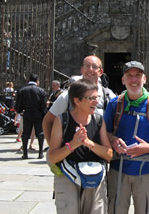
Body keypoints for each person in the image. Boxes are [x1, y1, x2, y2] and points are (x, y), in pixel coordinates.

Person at [104, 61, 149, 214]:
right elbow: (104, 133)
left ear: (144, 79)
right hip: (118, 169)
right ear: (123, 80)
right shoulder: (114, 104)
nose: (134, 80)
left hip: (145, 170)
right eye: (129, 76)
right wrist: (113, 139)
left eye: (138, 76)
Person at [48, 79, 113, 214]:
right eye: (91, 98)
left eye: (97, 97)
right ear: (77, 101)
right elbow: (53, 157)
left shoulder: (99, 120)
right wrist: (72, 145)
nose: (96, 102)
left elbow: (109, 154)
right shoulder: (62, 120)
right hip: (67, 177)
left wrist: (89, 143)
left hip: (95, 179)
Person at [42, 55, 115, 145]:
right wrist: (53, 149)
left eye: (95, 67)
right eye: (87, 66)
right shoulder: (68, 95)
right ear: (81, 70)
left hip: (98, 154)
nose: (90, 69)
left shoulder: (108, 96)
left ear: (101, 72)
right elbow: (47, 121)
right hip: (71, 154)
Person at [15, 73, 47, 159]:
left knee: (25, 134)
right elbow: (44, 106)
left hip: (27, 113)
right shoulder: (41, 91)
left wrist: (20, 110)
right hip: (38, 114)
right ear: (37, 81)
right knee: (40, 133)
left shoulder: (22, 90)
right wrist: (44, 115)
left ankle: (25, 154)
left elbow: (18, 107)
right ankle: (40, 153)